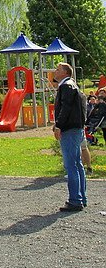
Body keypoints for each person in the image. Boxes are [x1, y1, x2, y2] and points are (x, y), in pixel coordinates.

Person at [52, 63, 87, 211]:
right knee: (77, 164)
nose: (55, 71)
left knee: (71, 165)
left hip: (70, 129)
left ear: (66, 72)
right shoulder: (73, 85)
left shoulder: (66, 86)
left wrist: (58, 124)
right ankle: (81, 197)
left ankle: (75, 200)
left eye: (58, 69)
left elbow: (65, 107)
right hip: (76, 128)